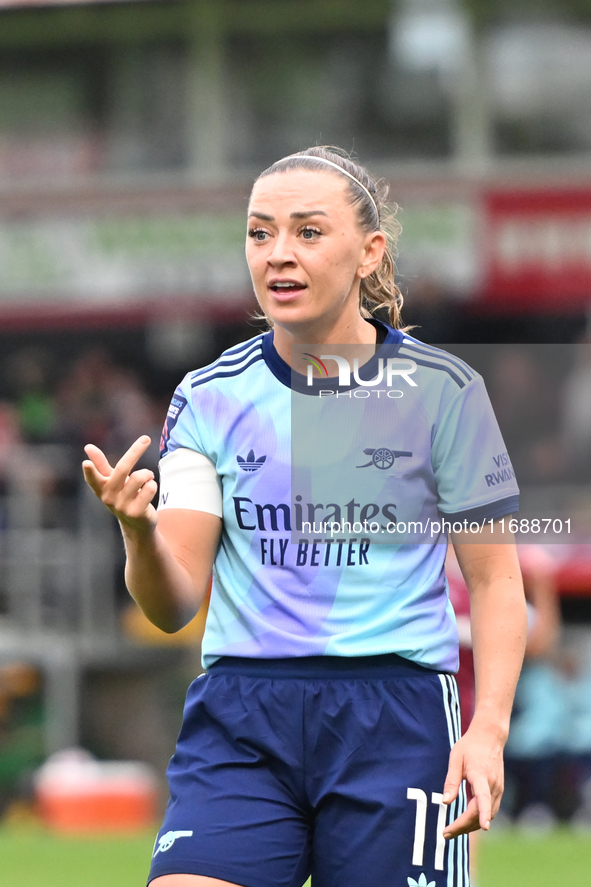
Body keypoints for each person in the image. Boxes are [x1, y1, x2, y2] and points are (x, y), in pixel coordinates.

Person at [82, 146, 527, 887]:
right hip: (242, 715)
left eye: (307, 232)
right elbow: (172, 602)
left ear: (368, 251)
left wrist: (489, 732)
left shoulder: (444, 391)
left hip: (398, 717)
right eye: (259, 233)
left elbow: (495, 581)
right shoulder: (208, 395)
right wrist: (138, 530)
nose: (278, 254)